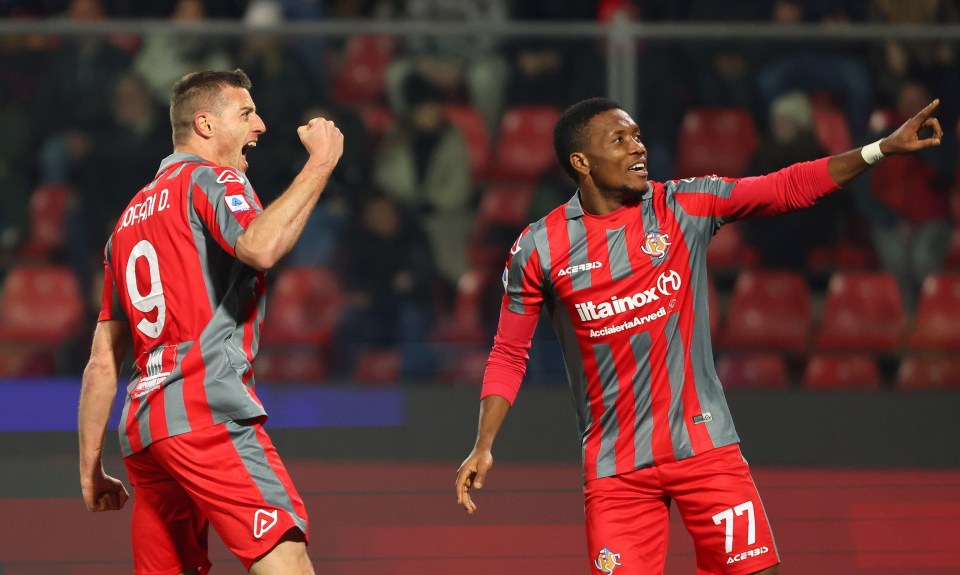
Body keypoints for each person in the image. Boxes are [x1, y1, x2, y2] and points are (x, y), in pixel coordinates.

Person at [455, 96, 942, 574]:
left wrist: (880, 149)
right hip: (616, 470)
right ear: (581, 161)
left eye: (638, 136)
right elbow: (508, 353)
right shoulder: (539, 247)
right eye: (620, 139)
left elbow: (786, 187)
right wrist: (484, 443)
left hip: (705, 451)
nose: (638, 148)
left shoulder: (682, 205)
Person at [77, 69, 343, 574]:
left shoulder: (127, 221)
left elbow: (100, 364)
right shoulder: (212, 178)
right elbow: (260, 247)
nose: (260, 125)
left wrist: (91, 469)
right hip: (204, 413)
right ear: (204, 125)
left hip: (144, 434)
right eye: (245, 114)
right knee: (285, 558)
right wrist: (322, 163)